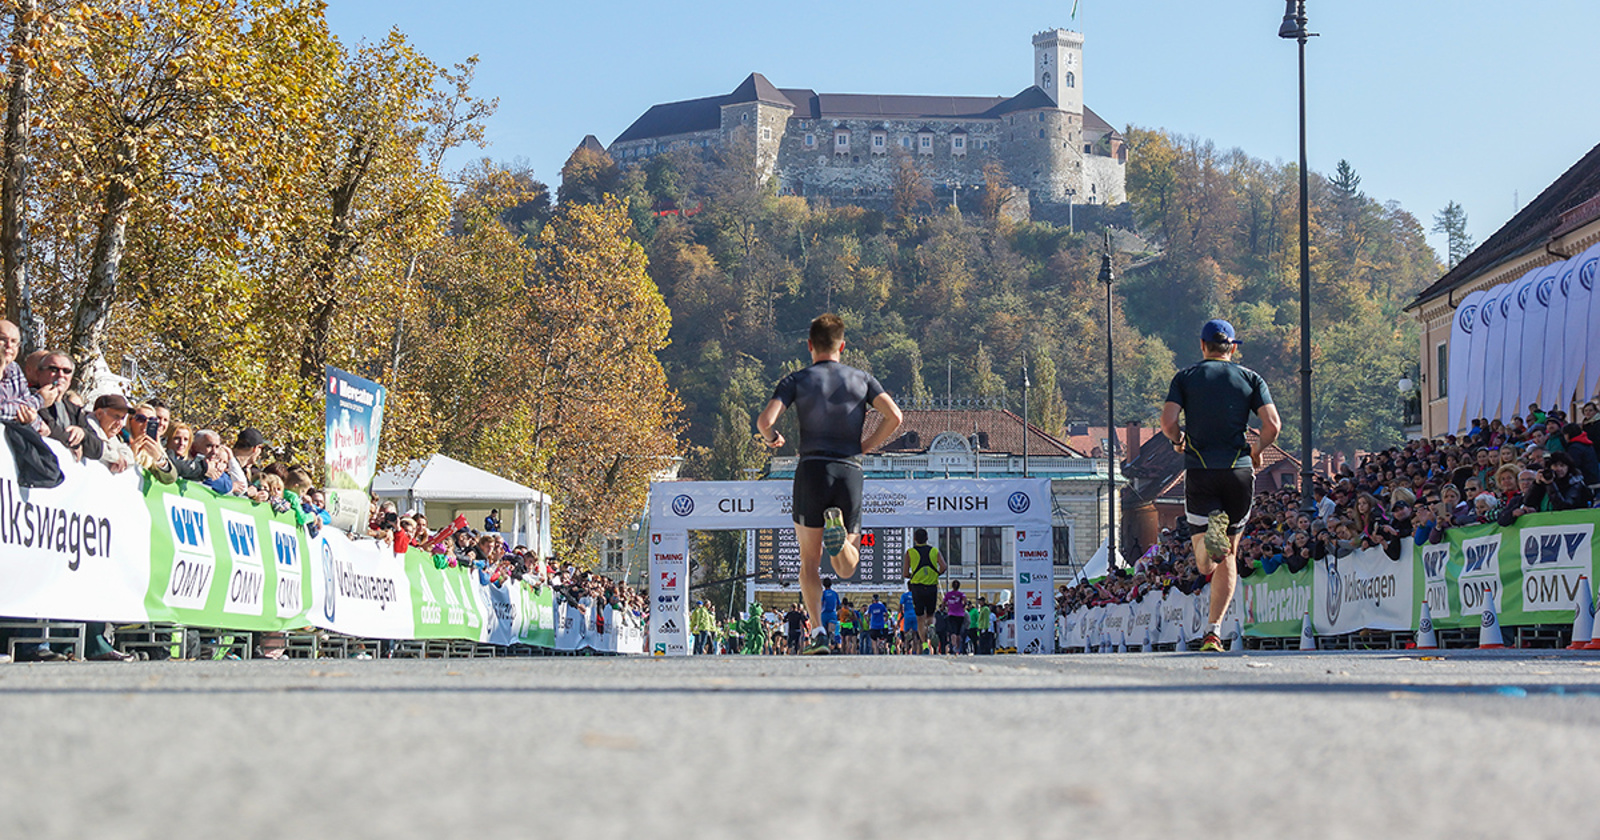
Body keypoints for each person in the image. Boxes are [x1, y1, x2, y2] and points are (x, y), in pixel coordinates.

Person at [756, 313, 903, 654]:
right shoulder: (862, 379)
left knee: (809, 562)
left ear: (809, 345)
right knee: (846, 567)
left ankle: (819, 632)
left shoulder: (796, 379)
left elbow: (765, 421)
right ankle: (840, 542)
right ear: (842, 345)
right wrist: (865, 446)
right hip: (848, 468)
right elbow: (895, 416)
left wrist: (772, 438)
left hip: (811, 469)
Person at [1159, 318, 1281, 653]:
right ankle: (1213, 632)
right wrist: (1257, 451)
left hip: (1200, 470)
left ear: (1202, 346)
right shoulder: (1251, 378)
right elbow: (1272, 425)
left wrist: (1179, 440)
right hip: (1238, 471)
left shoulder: (1186, 377)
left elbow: (1168, 422)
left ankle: (1209, 542)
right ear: (1233, 348)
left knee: (1204, 564)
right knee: (1229, 553)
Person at [901, 527, 944, 653]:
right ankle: (932, 626)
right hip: (931, 586)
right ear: (927, 538)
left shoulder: (910, 552)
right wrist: (936, 574)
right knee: (930, 614)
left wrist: (913, 576)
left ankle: (925, 645)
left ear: (915, 539)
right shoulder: (934, 551)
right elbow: (944, 566)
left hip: (917, 587)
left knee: (920, 618)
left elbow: (905, 573)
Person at [942, 581, 967, 655]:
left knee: (953, 631)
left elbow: (943, 602)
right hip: (960, 614)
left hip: (951, 614)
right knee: (958, 632)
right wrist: (962, 606)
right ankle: (958, 647)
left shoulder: (948, 594)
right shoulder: (961, 594)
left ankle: (954, 646)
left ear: (952, 586)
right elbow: (965, 601)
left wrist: (945, 606)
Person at [898, 585, 920, 653]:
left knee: (906, 634)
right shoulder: (917, 595)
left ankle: (907, 650)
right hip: (915, 615)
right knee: (915, 634)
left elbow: (901, 605)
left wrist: (902, 612)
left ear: (908, 587)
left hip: (907, 615)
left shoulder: (904, 595)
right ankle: (914, 651)